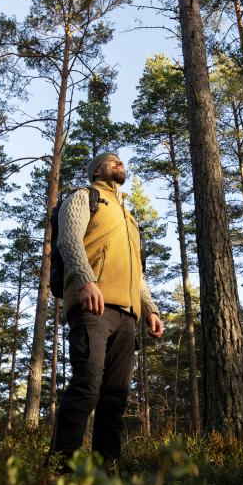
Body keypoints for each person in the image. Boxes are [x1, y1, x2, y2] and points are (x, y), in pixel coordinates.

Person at [49, 151, 163, 464]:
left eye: (121, 160)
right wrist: (86, 281)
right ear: (98, 168)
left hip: (128, 317)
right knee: (87, 386)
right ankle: (59, 471)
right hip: (92, 306)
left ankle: (106, 477)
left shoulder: (129, 218)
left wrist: (150, 308)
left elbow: (136, 272)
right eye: (112, 160)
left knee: (115, 400)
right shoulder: (85, 196)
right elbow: (69, 240)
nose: (119, 163)